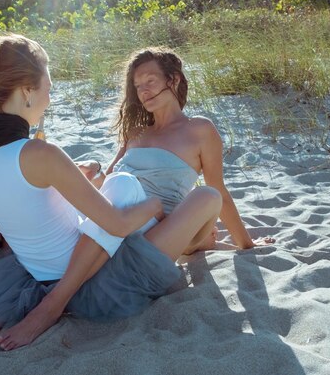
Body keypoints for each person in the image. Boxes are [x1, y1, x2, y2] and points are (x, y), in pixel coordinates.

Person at [0, 34, 224, 351]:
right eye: (48, 89)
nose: (49, 99)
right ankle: (50, 307)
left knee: (121, 187)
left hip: (43, 265)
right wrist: (154, 204)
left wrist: (73, 178)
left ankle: (27, 305)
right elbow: (117, 224)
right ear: (27, 91)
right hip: (93, 264)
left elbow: (22, 208)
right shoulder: (41, 153)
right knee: (130, 186)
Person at [96, 47, 275, 254]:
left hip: (160, 233)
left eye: (150, 81)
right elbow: (106, 182)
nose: (143, 91)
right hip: (112, 225)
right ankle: (206, 243)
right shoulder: (136, 132)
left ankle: (202, 243)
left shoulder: (199, 130)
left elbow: (218, 192)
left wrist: (247, 245)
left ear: (173, 80)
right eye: (137, 86)